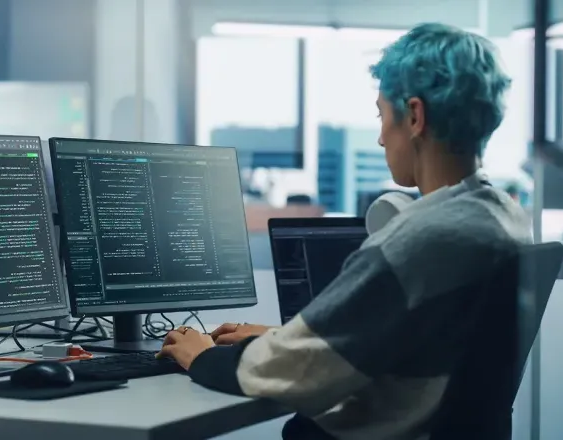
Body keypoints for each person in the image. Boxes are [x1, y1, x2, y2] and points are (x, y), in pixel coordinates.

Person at [157, 23, 531, 439]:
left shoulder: (423, 239)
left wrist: (202, 356)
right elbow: (417, 339)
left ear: (414, 116)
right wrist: (288, 337)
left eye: (382, 115)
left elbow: (292, 375)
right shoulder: (501, 217)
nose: (380, 137)